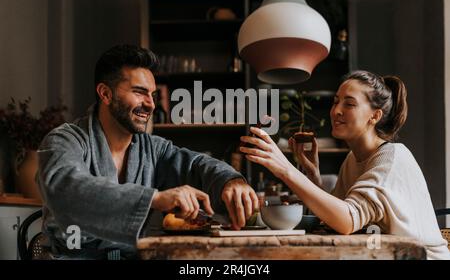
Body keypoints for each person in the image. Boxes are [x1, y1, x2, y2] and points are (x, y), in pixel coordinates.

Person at [37, 44, 258, 259]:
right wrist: (155, 198)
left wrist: (230, 180)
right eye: (139, 92)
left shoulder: (152, 148)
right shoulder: (64, 140)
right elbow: (65, 188)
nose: (151, 104)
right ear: (105, 94)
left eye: (152, 94)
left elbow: (196, 164)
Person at [240, 70, 450, 260]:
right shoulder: (352, 158)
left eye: (349, 104)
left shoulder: (391, 157)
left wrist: (286, 170)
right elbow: (337, 219)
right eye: (335, 102)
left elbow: (347, 221)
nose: (336, 111)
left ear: (374, 116)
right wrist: (314, 178)